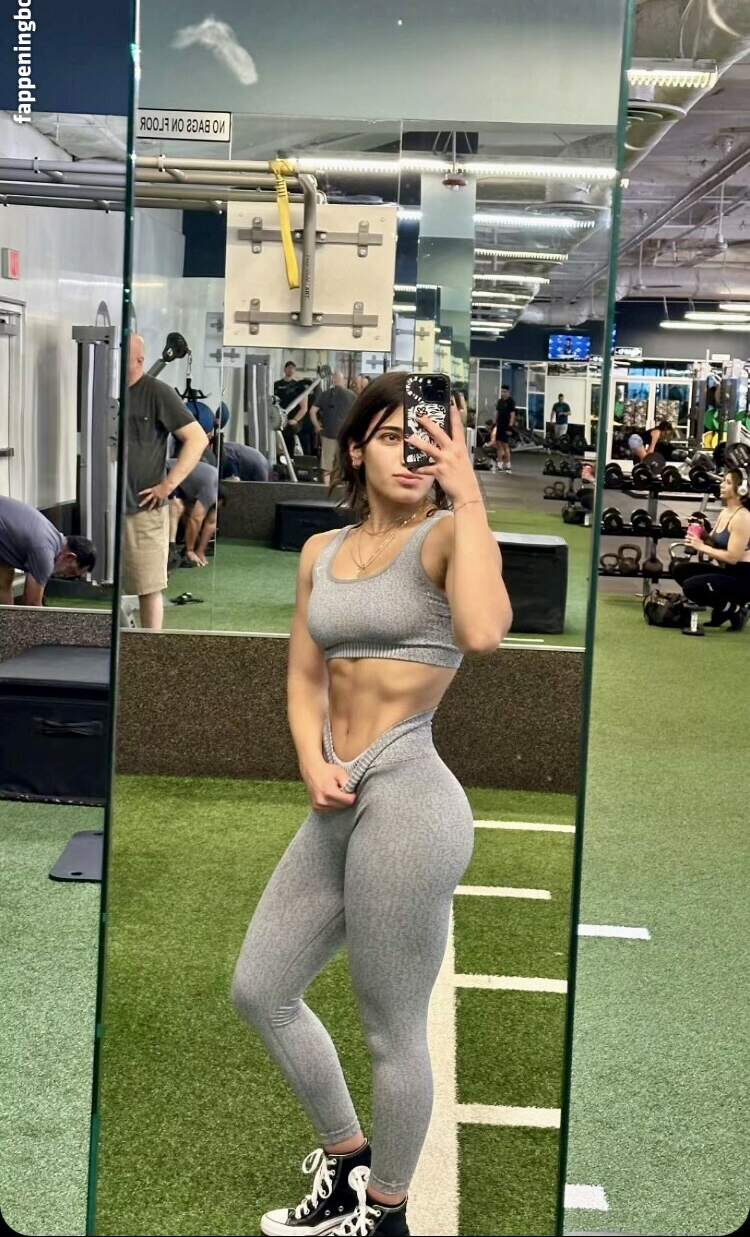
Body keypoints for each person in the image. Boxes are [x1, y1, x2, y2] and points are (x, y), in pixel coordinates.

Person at [231, 372, 512, 1237]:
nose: (412, 453)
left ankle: (386, 1213)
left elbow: (483, 632)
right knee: (260, 989)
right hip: (337, 794)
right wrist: (309, 759)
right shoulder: (320, 551)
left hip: (411, 797)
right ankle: (349, 1162)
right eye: (393, 437)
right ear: (355, 450)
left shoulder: (446, 537)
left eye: (428, 439)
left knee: (391, 1028)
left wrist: (470, 496)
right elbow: (303, 673)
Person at [124, 334, 208, 631]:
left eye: (123, 353)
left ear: (139, 360)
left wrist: (168, 486)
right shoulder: (103, 391)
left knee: (148, 586)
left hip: (143, 508)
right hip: (104, 508)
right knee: (107, 581)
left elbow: (197, 439)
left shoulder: (158, 392)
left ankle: (150, 646)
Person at [672, 468, 750, 630]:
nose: (722, 485)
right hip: (730, 572)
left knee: (691, 587)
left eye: (728, 483)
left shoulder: (742, 517)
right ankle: (727, 608)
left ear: (741, 490)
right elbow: (714, 545)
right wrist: (703, 534)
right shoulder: (725, 513)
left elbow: (732, 557)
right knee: (681, 571)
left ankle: (736, 610)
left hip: (744, 577)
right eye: (723, 481)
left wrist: (700, 546)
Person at [0, 497, 96, 606]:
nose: (66, 576)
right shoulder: (46, 554)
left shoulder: (50, 534)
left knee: (4, 579)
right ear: (69, 557)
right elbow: (32, 603)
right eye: (71, 572)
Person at [167, 458, 219, 567]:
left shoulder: (213, 491)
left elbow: (211, 523)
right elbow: (195, 519)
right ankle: (171, 550)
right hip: (168, 470)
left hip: (184, 481)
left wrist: (200, 551)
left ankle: (185, 547)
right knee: (177, 507)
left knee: (189, 512)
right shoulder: (210, 492)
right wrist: (189, 550)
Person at [310, 370, 357, 484]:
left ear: (333, 380)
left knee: (326, 466)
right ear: (343, 380)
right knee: (340, 465)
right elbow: (357, 414)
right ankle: (337, 488)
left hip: (328, 434)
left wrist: (317, 426)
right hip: (344, 436)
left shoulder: (325, 394)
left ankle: (326, 488)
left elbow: (312, 411)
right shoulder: (352, 395)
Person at [274, 360, 309, 457]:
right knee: (277, 449)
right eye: (288, 368)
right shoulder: (276, 385)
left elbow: (304, 408)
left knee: (289, 447)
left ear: (295, 371)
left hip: (291, 423)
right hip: (278, 421)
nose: (290, 370)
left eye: (292, 368)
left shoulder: (299, 387)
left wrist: (295, 420)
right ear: (284, 370)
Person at [493, 385, 516, 474]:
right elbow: (497, 413)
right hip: (500, 426)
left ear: (508, 392)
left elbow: (512, 416)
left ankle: (508, 466)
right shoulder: (500, 401)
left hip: (506, 426)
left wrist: (510, 427)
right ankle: (500, 464)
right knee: (498, 445)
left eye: (505, 392)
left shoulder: (511, 402)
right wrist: (494, 423)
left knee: (505, 446)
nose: (503, 393)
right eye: (502, 391)